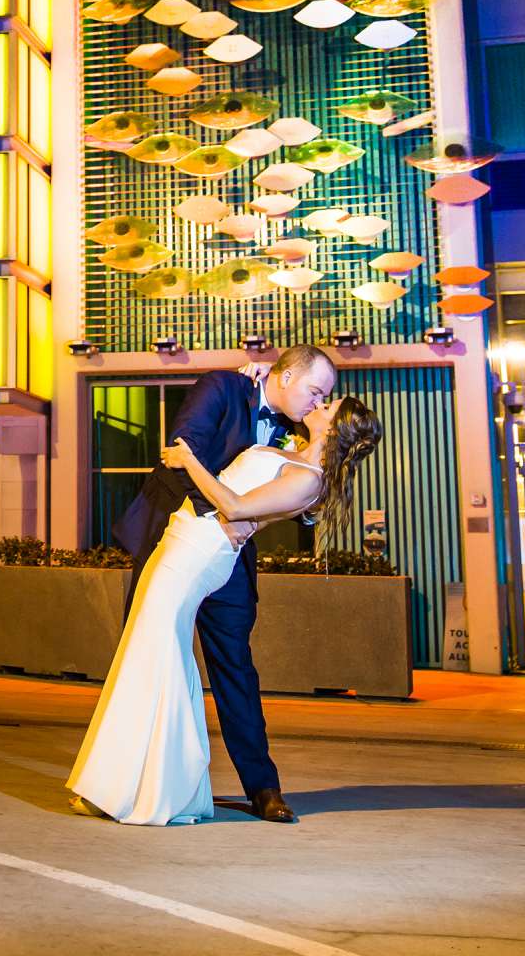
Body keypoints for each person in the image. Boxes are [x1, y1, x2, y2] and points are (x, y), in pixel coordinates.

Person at [68, 348, 382, 825]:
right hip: (175, 539)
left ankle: (263, 787)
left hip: (227, 561)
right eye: (315, 390)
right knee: (149, 657)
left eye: (326, 397)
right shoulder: (222, 387)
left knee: (235, 668)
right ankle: (128, 779)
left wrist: (289, 508)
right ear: (286, 374)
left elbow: (310, 479)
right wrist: (223, 512)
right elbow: (183, 449)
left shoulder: (298, 426)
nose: (320, 402)